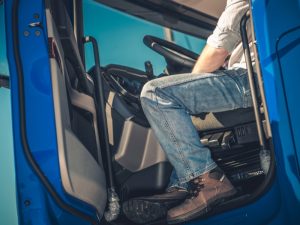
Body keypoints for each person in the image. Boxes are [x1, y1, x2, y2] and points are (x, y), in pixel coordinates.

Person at [123, 0, 251, 224]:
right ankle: (186, 185)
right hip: (252, 76)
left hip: (249, 79)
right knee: (175, 101)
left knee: (156, 93)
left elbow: (219, 46)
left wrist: (191, 83)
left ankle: (209, 181)